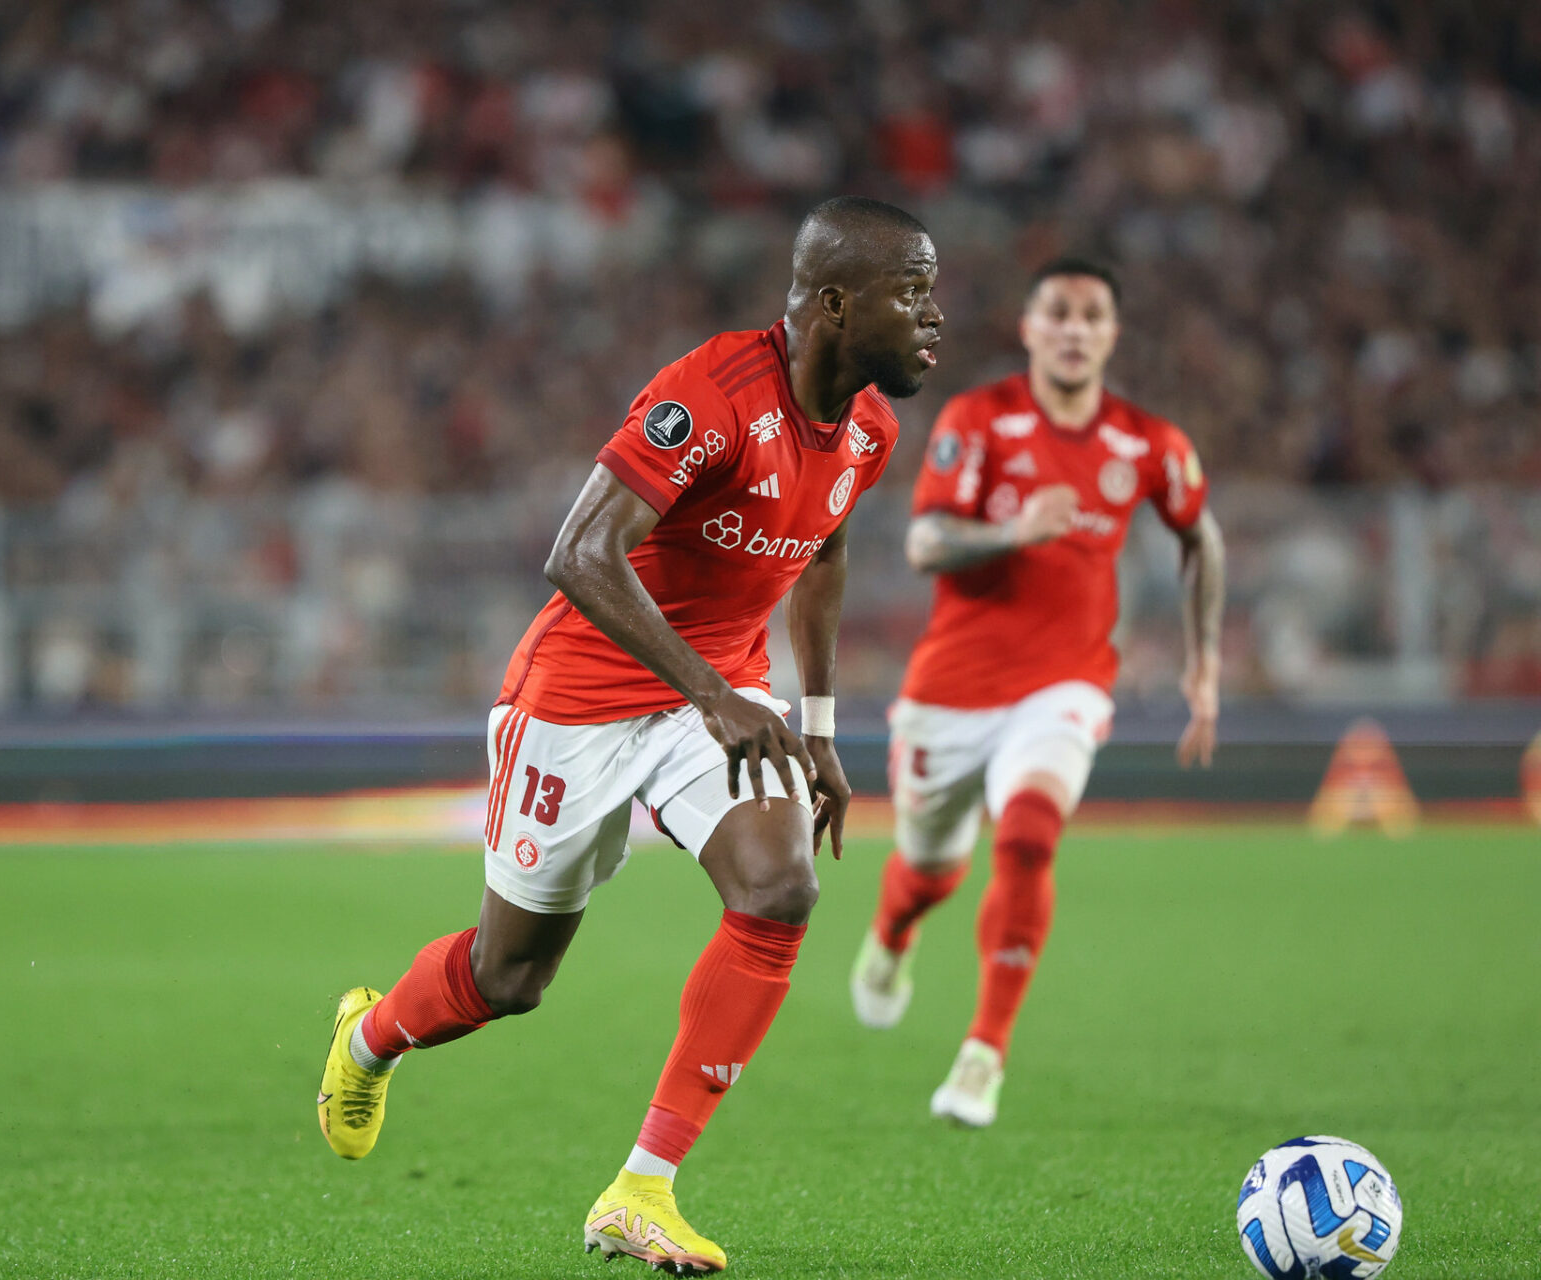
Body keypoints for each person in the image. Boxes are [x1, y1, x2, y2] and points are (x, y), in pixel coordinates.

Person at [317, 196, 943, 1273]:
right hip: (579, 701)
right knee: (508, 978)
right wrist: (710, 688)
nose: (935, 318)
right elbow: (580, 551)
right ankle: (370, 1038)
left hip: (720, 699)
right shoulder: (709, 392)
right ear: (836, 303)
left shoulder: (871, 428)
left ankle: (641, 1186)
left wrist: (822, 724)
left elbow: (824, 550)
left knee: (781, 885)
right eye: (913, 292)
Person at [849, 258, 1225, 1128]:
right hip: (952, 689)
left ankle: (983, 1054)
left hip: (1065, 683)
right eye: (1058, 311)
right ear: (1029, 327)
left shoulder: (1149, 441)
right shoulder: (979, 419)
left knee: (1026, 837)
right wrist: (1016, 530)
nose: (1074, 328)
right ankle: (891, 938)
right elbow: (925, 543)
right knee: (928, 872)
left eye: (1092, 315)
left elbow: (1202, 537)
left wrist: (1203, 662)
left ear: (1112, 334)